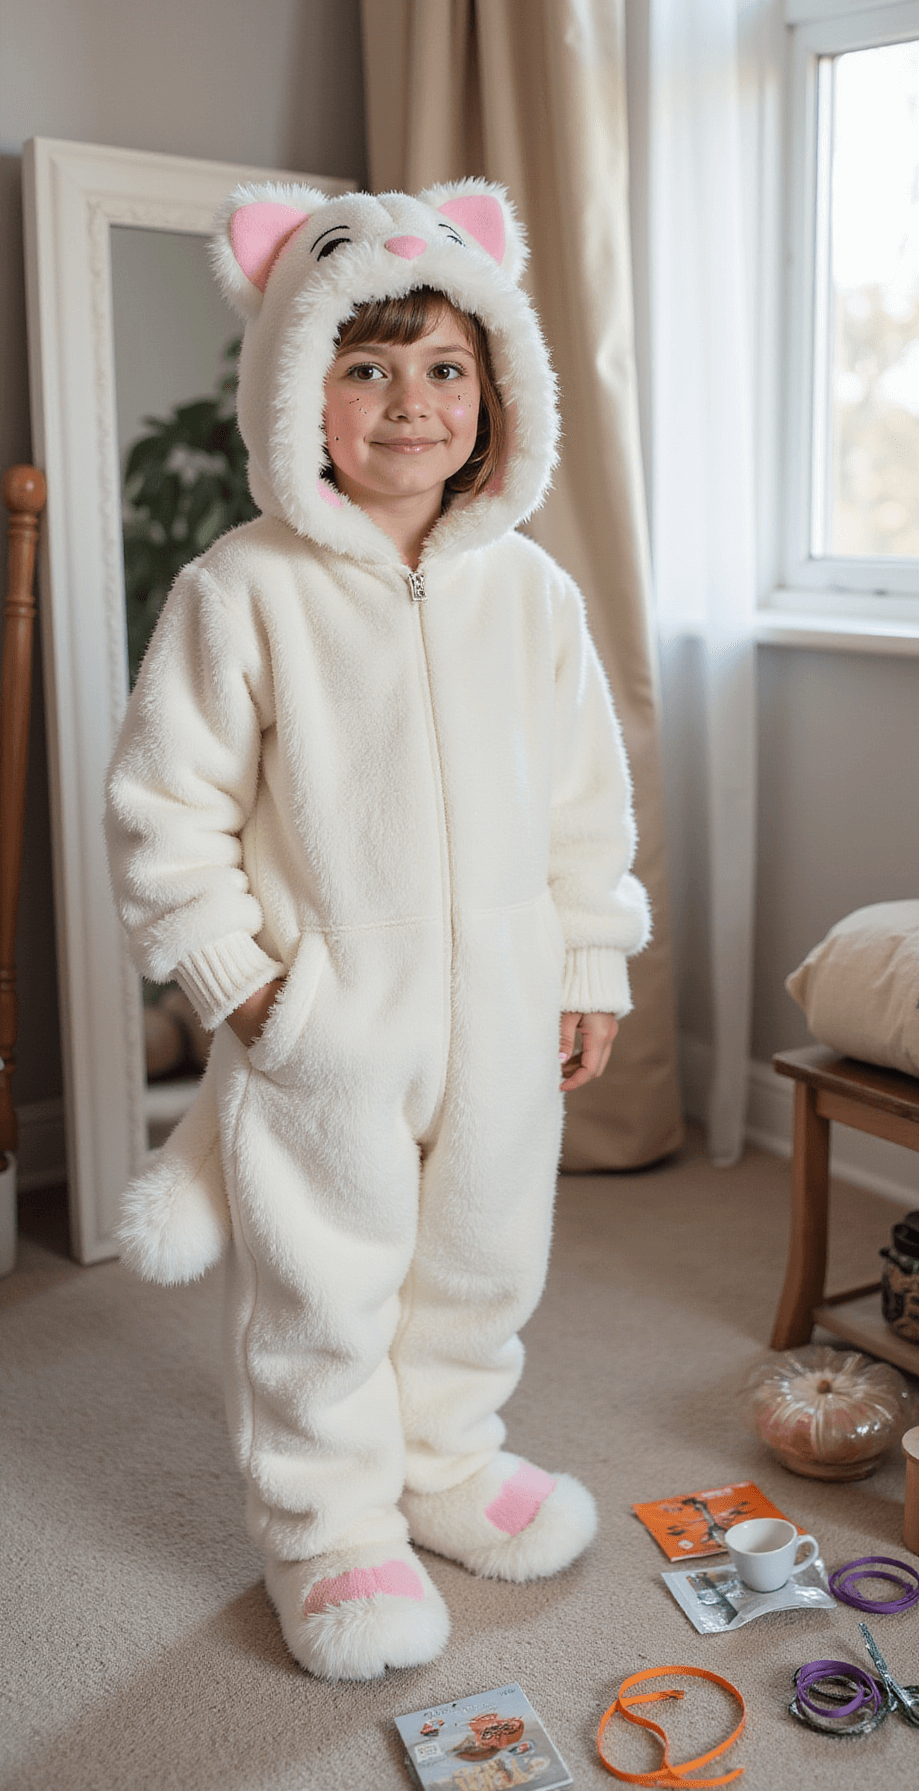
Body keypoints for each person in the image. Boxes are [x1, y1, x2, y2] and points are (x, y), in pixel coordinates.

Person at [106, 179, 650, 1682]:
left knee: (484, 1258)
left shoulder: (531, 593)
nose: (412, 405)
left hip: (507, 1008)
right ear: (300, 388)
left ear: (497, 387)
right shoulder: (241, 589)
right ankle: (328, 1528)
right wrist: (248, 990)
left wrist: (588, 959)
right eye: (366, 366)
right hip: (328, 1019)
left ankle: (446, 1465)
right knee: (322, 1289)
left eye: (446, 368)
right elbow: (164, 808)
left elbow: (585, 798)